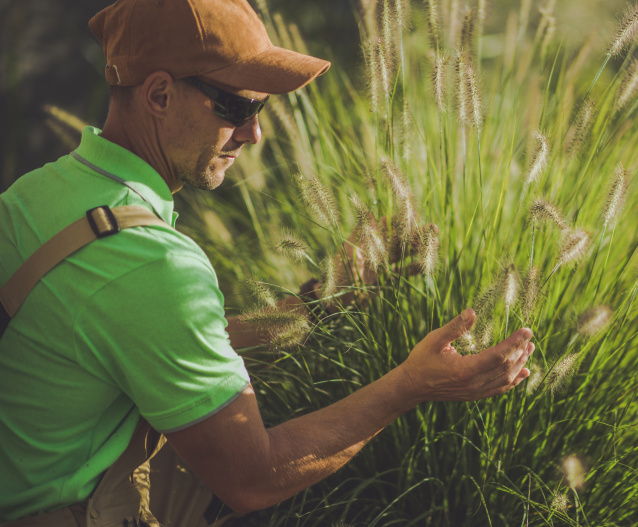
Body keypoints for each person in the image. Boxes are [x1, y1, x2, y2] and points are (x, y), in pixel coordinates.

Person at [0, 0, 535, 525]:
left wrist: (320, 302)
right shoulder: (150, 263)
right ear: (160, 94)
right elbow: (253, 478)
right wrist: (413, 385)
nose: (254, 134)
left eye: (261, 108)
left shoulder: (39, 192)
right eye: (237, 107)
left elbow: (158, 334)